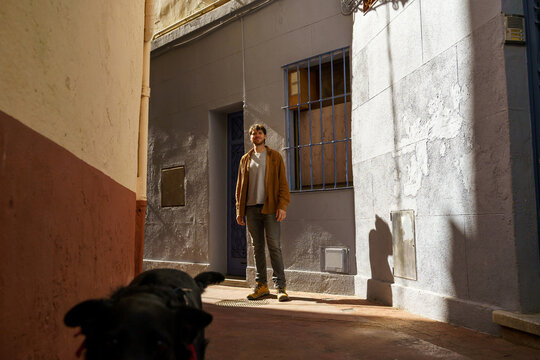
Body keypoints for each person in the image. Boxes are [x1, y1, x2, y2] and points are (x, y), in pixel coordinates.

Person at [235, 123, 291, 302]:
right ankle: (261, 285)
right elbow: (239, 187)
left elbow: (283, 183)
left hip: (271, 208)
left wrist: (282, 206)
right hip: (251, 209)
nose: (256, 136)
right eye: (253, 134)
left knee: (274, 246)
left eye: (259, 133)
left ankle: (280, 286)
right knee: (257, 247)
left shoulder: (274, 157)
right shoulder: (245, 159)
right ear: (250, 138)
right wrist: (239, 210)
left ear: (265, 136)